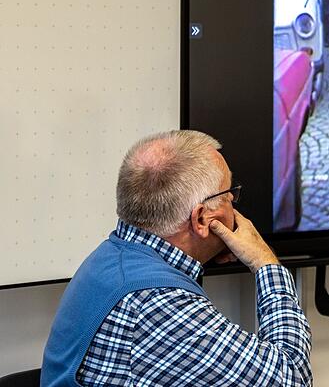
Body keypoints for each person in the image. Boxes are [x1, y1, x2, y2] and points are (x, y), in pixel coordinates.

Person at [41, 130, 312, 387]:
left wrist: (207, 252)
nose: (234, 203)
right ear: (202, 218)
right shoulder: (157, 302)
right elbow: (291, 378)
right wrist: (265, 263)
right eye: (229, 195)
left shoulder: (117, 255)